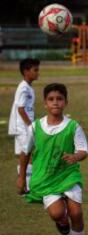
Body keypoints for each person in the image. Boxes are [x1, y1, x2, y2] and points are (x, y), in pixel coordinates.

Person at [17, 83, 88, 235]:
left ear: (66, 102)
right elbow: (25, 152)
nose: (55, 102)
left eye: (59, 99)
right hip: (46, 178)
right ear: (45, 103)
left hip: (68, 175)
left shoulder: (73, 126)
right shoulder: (35, 127)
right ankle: (62, 221)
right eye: (51, 99)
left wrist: (75, 156)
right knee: (57, 214)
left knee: (76, 212)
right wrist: (21, 179)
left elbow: (84, 150)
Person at [8, 58, 40, 192]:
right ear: (26, 71)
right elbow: (20, 109)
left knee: (28, 153)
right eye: (35, 70)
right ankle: (22, 182)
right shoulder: (23, 88)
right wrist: (29, 125)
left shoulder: (28, 87)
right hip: (22, 126)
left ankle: (26, 185)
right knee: (26, 153)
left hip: (26, 126)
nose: (38, 73)